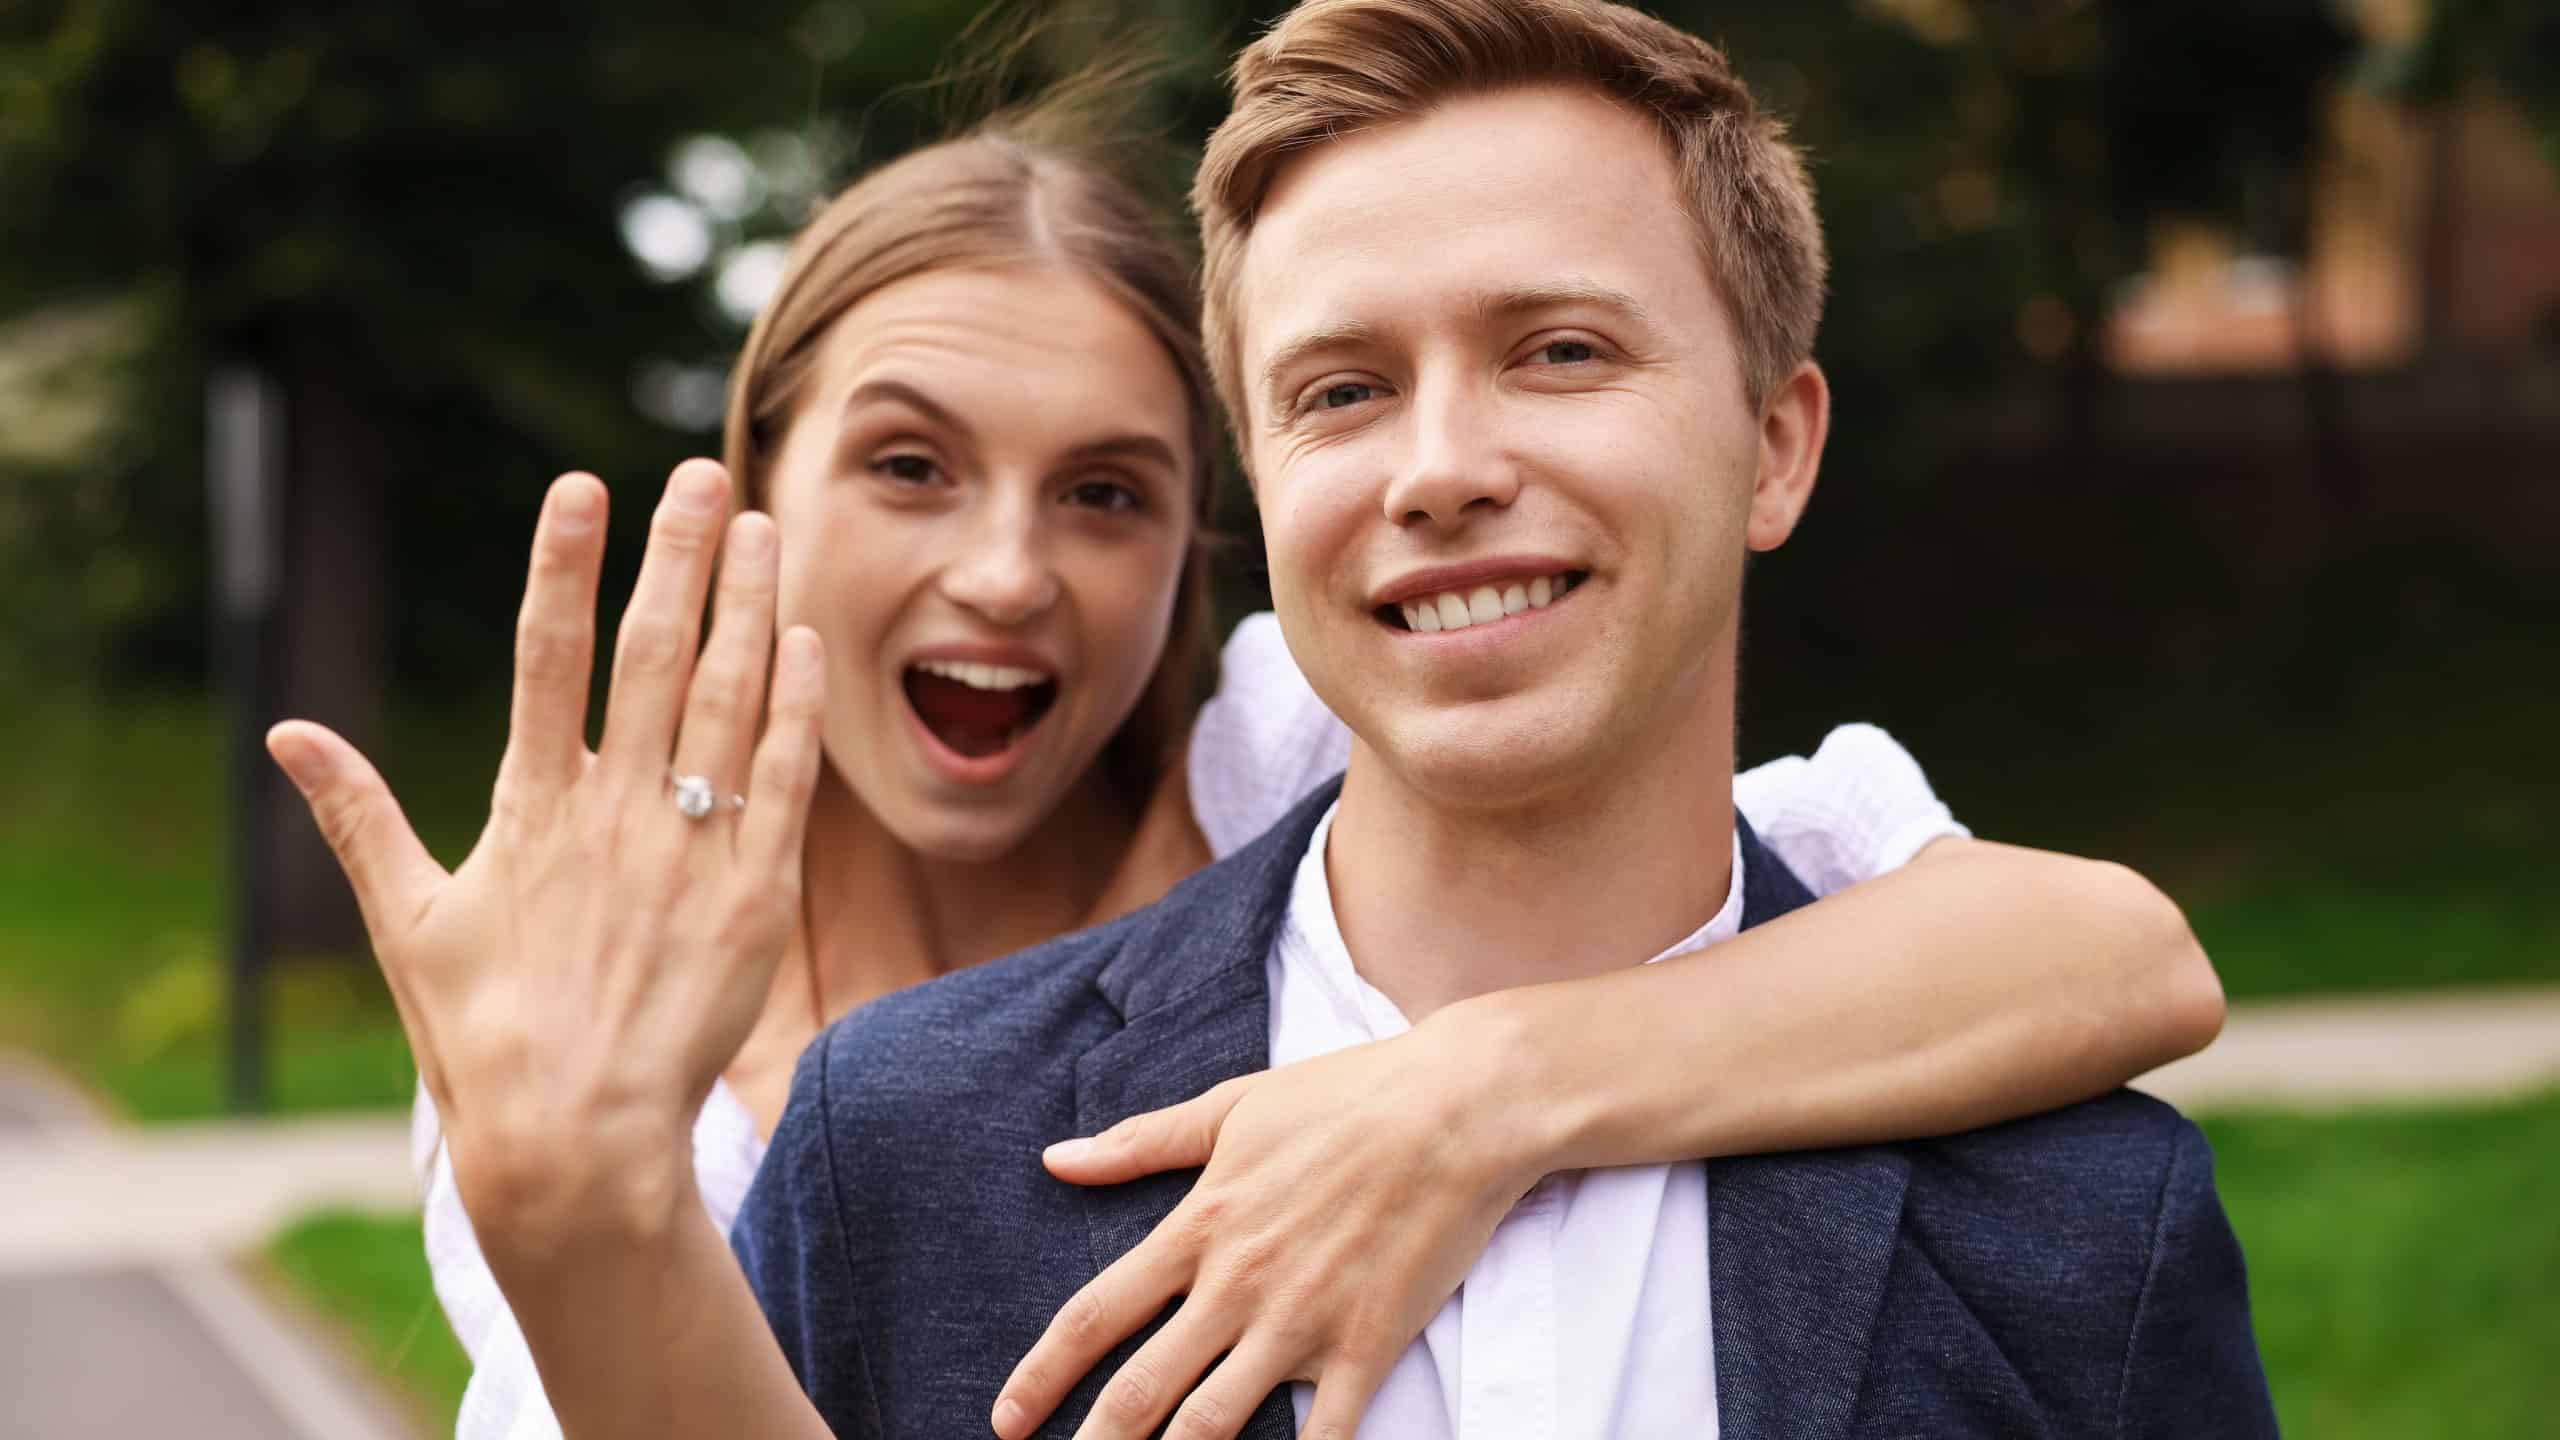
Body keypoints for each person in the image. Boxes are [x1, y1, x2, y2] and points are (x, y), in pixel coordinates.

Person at [263, 23, 2239, 1440]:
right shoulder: (809, 1105)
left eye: (1105, 493)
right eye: (1342, 391)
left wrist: (1472, 1090)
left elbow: (2109, 950)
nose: (1006, 576)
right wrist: (587, 1218)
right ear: (758, 481)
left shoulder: (1277, 745)